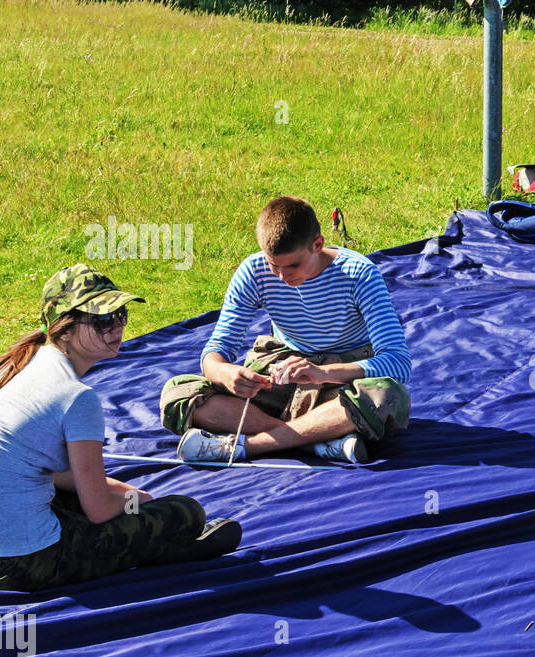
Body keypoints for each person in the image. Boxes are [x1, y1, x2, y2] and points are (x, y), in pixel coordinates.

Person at [0, 266, 241, 592]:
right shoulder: (76, 398)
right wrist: (136, 501)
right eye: (102, 320)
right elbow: (99, 510)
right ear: (65, 329)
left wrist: (120, 492)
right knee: (185, 512)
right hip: (25, 562)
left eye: (121, 314)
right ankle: (168, 547)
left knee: (85, 502)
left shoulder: (14, 369)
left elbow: (55, 475)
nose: (117, 327)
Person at [160, 196, 411, 464]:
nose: (281, 276)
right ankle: (317, 441)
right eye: (273, 265)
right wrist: (226, 373)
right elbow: (215, 351)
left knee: (386, 396)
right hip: (281, 376)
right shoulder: (253, 271)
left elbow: (398, 363)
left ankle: (247, 446)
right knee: (178, 392)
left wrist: (322, 373)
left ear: (318, 244)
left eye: (292, 265)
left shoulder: (359, 274)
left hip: (340, 376)